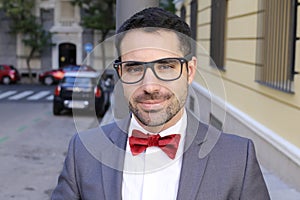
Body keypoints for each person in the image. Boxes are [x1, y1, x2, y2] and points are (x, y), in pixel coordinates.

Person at [51, 7, 270, 200]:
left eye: (165, 66)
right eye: (134, 68)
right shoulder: (82, 152)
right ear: (120, 74)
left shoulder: (238, 158)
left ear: (189, 71)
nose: (150, 86)